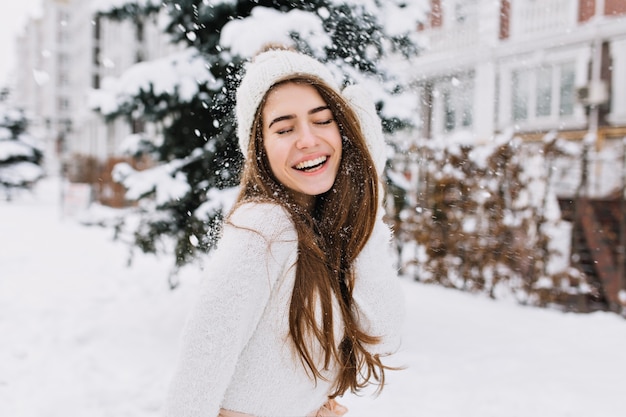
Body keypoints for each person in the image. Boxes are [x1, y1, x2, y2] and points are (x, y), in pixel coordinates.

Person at [163, 47, 405, 417]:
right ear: (259, 149)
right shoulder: (263, 229)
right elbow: (199, 370)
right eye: (285, 128)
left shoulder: (324, 228)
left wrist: (367, 183)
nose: (307, 139)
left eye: (323, 121)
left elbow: (384, 333)